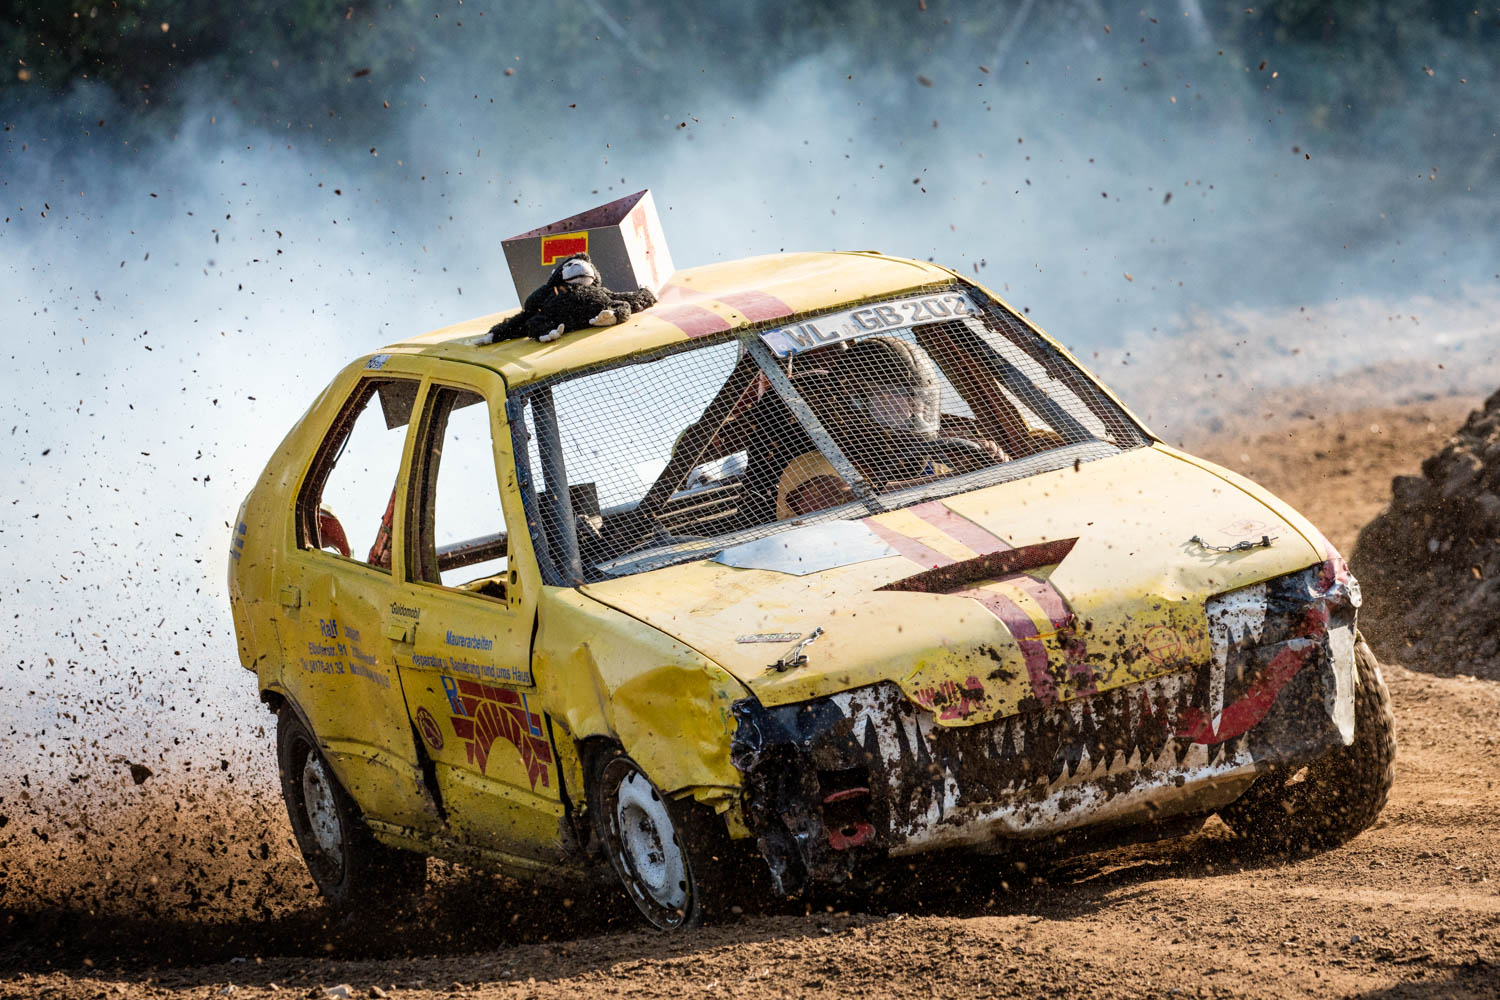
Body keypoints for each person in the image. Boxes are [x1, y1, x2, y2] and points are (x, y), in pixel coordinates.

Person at [715, 335, 1008, 522]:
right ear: (855, 402)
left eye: (919, 400)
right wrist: (958, 480)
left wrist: (995, 469)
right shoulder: (813, 461)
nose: (913, 412)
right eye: (895, 400)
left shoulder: (922, 459)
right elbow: (841, 499)